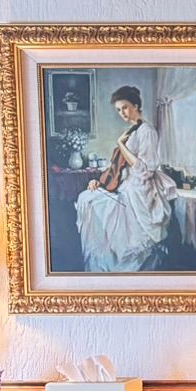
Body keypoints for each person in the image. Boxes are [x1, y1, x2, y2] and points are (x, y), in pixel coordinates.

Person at [75, 86, 177, 273]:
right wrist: (101, 182)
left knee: (94, 204)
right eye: (119, 110)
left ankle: (124, 270)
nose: (122, 113)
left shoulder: (147, 131)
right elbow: (119, 165)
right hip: (127, 185)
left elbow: (145, 170)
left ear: (136, 105)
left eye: (125, 107)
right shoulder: (133, 130)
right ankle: (104, 267)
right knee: (87, 198)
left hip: (140, 190)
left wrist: (121, 144)